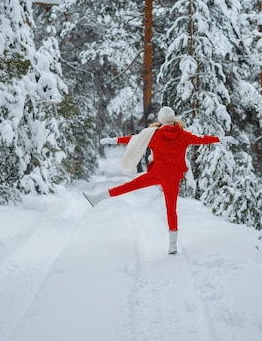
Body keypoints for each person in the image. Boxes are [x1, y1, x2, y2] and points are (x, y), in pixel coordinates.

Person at [83, 106, 235, 254]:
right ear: (173, 119)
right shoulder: (184, 135)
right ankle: (173, 245)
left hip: (156, 174)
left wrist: (114, 140)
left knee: (129, 187)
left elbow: (133, 140)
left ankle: (98, 198)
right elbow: (202, 139)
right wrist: (220, 139)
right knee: (171, 209)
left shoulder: (153, 136)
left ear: (161, 120)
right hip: (173, 177)